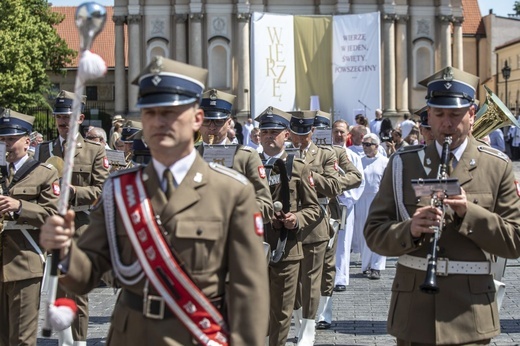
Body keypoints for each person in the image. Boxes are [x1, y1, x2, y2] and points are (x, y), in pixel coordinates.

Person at [39, 56, 269, 345]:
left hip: (198, 334)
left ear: (197, 119)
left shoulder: (232, 192)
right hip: (130, 335)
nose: (159, 122)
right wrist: (65, 249)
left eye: (170, 112)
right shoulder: (118, 190)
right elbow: (86, 275)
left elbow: (249, 292)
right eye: (150, 113)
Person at [364, 66, 520, 345]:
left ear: (472, 114)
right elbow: (374, 232)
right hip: (414, 312)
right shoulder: (402, 163)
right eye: (439, 114)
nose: (446, 123)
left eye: (455, 114)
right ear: (429, 113)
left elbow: (515, 241)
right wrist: (410, 230)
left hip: (470, 314)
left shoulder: (497, 166)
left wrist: (468, 213)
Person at [34, 90, 110, 346]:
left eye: (69, 117)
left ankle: (77, 343)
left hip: (80, 227)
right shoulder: (44, 149)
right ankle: (63, 341)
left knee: (77, 292)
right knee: (54, 292)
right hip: (52, 226)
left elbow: (101, 190)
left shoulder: (94, 151)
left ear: (80, 118)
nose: (64, 122)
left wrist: (75, 191)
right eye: (59, 117)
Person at [256, 106, 321, 346]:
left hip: (287, 247)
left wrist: (296, 219)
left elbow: (314, 208)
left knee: (282, 311)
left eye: (275, 131)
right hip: (254, 245)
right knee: (256, 308)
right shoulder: (249, 164)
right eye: (265, 132)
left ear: (286, 134)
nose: (270, 136)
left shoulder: (299, 167)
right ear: (258, 135)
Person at [0, 110, 60, 346]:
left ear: (27, 140)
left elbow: (53, 215)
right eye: (2, 139)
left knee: (22, 339)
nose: (6, 144)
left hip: (25, 262)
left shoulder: (44, 174)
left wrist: (19, 206)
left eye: (11, 138)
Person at [288, 110, 342, 346]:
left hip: (314, 220)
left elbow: (333, 186)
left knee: (311, 278)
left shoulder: (324, 154)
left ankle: (309, 329)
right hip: (287, 222)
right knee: (292, 279)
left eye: (305, 134)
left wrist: (308, 174)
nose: (300, 140)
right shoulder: (283, 154)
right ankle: (299, 321)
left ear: (312, 132)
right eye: (296, 134)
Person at [313, 113, 362, 330]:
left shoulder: (340, 152)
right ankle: (302, 314)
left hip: (328, 210)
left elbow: (356, 177)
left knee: (326, 264)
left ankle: (323, 314)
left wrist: (331, 185)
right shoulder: (299, 152)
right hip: (301, 212)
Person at [198, 89, 273, 223]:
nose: (212, 127)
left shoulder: (246, 156)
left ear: (229, 123)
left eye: (218, 121)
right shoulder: (189, 157)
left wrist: (235, 207)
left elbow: (266, 207)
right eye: (207, 121)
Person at [329, 120, 365, 291]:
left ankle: (341, 278)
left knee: (343, 242)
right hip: (327, 203)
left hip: (345, 205)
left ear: (347, 134)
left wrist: (347, 199)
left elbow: (360, 182)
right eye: (336, 131)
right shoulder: (324, 152)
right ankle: (326, 275)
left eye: (342, 132)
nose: (339, 135)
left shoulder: (354, 157)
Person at [356, 133, 388, 280]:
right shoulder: (359, 161)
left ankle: (377, 266)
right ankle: (366, 265)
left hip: (378, 200)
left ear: (376, 146)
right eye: (364, 144)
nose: (365, 147)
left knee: (379, 232)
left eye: (368, 144)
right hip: (362, 199)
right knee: (364, 233)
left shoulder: (385, 162)